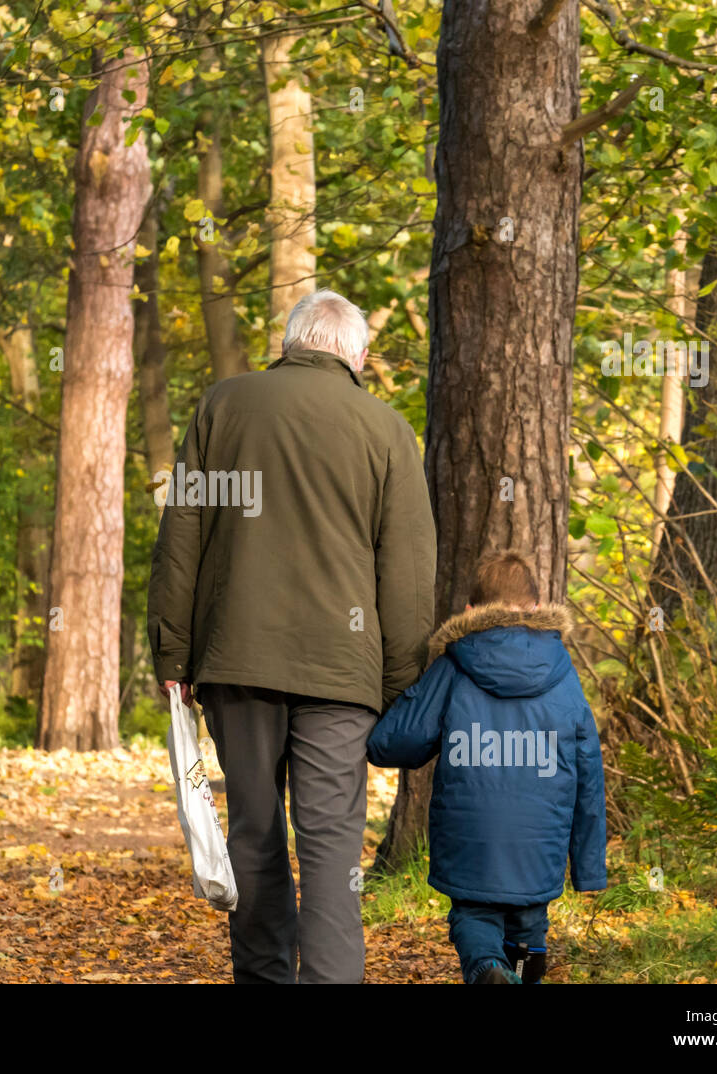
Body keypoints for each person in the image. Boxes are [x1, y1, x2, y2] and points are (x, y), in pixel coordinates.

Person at [147, 289, 435, 983]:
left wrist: (174, 651)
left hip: (236, 660)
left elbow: (181, 534)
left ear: (290, 343)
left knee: (254, 832)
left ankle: (264, 977)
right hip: (343, 672)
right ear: (358, 356)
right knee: (333, 846)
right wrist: (402, 687)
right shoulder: (387, 430)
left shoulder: (223, 407)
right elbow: (407, 575)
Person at [367, 549, 607, 983]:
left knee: (474, 918)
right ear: (536, 608)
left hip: (471, 839)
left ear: (472, 610)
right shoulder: (562, 671)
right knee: (529, 924)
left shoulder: (453, 666)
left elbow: (393, 744)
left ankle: (489, 968)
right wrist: (589, 867)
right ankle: (517, 967)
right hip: (540, 840)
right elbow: (589, 769)